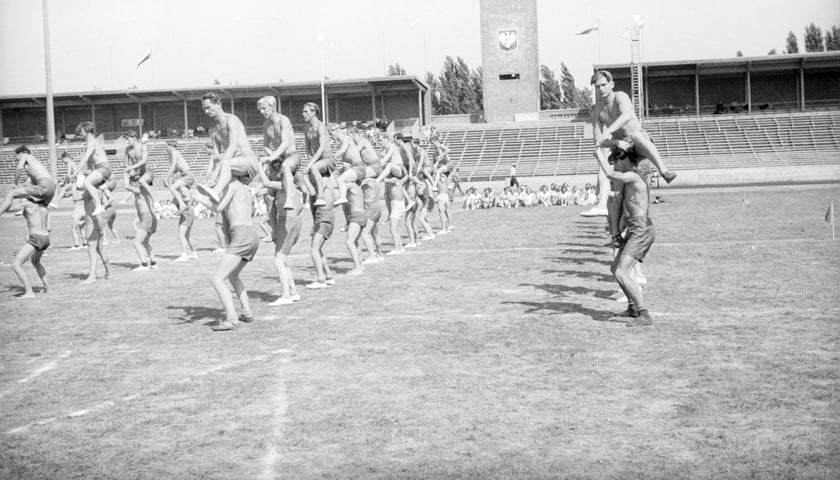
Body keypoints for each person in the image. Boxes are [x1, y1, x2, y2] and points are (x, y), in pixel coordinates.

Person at [585, 70, 676, 217]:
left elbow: (626, 115)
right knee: (619, 194)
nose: (600, 89)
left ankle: (664, 171)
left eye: (603, 85)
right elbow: (597, 141)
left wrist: (609, 132)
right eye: (597, 87)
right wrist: (616, 142)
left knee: (637, 137)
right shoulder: (597, 110)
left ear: (611, 84)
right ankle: (613, 228)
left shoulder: (620, 97)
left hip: (640, 146)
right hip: (622, 149)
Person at [593, 144, 656, 327]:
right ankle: (633, 308)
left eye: (616, 163)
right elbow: (624, 208)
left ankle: (644, 314)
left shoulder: (633, 175)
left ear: (625, 160)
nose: (614, 167)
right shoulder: (629, 179)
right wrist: (617, 233)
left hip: (641, 230)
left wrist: (599, 154)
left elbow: (612, 175)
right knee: (616, 269)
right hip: (634, 229)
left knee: (622, 271)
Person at [209, 175, 260, 331]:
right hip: (251, 234)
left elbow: (217, 208)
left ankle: (231, 318)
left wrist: (199, 197)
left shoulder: (232, 186)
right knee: (233, 275)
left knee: (217, 279)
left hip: (241, 235)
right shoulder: (245, 189)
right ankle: (246, 312)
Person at [195, 92, 260, 206]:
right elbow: (216, 157)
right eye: (204, 109)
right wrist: (212, 177)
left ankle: (215, 192)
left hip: (248, 161)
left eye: (208, 108)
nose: (206, 112)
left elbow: (233, 145)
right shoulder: (214, 132)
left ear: (218, 104)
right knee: (231, 195)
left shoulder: (232, 119)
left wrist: (219, 170)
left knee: (225, 165)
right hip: (233, 167)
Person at [257, 160, 302, 307]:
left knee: (278, 260)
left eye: (271, 171)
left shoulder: (285, 184)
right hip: (294, 220)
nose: (270, 174)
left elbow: (267, 183)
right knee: (282, 258)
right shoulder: (289, 185)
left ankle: (286, 295)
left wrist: (259, 166)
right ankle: (293, 292)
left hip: (287, 220)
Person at [257, 96, 300, 211]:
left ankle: (290, 199)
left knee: (285, 166)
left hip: (291, 157)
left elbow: (285, 142)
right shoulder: (265, 125)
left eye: (264, 108)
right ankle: (273, 226)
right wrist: (273, 157)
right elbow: (265, 145)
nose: (262, 112)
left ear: (273, 106)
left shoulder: (283, 120)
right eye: (260, 110)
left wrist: (272, 157)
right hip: (278, 158)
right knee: (269, 196)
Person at [9, 196, 50, 298]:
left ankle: (29, 292)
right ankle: (48, 288)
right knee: (36, 262)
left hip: (36, 237)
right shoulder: (43, 204)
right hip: (45, 237)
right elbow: (48, 227)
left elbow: (10, 208)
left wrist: (13, 195)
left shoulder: (28, 203)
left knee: (16, 265)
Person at [0, 146, 56, 219]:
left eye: (16, 156)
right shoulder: (34, 163)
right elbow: (29, 184)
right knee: (41, 206)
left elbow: (19, 169)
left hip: (44, 184)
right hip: (52, 187)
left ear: (21, 153)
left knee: (11, 193)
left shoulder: (25, 155)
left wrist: (15, 183)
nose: (16, 158)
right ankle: (46, 229)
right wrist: (22, 187)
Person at [75, 121, 112, 216]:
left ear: (87, 131)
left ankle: (99, 206)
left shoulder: (92, 142)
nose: (80, 133)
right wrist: (87, 173)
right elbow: (90, 162)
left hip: (103, 167)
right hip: (99, 168)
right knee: (86, 194)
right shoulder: (89, 144)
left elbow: (85, 158)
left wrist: (75, 172)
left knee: (87, 182)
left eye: (82, 131)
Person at [301, 102, 335, 207]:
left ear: (314, 112)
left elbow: (322, 147)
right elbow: (308, 149)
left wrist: (311, 164)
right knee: (307, 175)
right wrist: (310, 162)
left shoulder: (320, 126)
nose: (303, 114)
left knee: (314, 168)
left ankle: (321, 196)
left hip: (327, 159)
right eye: (303, 112)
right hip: (317, 160)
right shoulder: (306, 129)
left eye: (306, 112)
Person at [307, 175, 337, 288]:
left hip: (324, 218)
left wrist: (305, 178)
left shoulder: (324, 182)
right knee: (318, 249)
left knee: (313, 249)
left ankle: (320, 280)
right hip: (322, 219)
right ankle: (329, 277)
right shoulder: (325, 182)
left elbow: (312, 192)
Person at [124, 172, 158, 271]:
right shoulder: (143, 190)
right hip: (150, 218)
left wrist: (125, 177)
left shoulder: (139, 190)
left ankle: (144, 264)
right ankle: (153, 262)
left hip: (146, 218)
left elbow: (126, 186)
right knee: (145, 242)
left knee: (136, 243)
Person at [164, 140, 194, 215]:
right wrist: (171, 179)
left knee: (172, 188)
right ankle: (184, 207)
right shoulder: (172, 155)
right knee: (180, 196)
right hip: (184, 176)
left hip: (187, 176)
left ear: (171, 146)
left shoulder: (174, 152)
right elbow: (176, 170)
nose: (166, 148)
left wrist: (166, 178)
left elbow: (173, 167)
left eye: (167, 146)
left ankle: (182, 205)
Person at [343, 181, 366, 275]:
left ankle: (357, 268)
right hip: (360, 214)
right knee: (355, 241)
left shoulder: (350, 185)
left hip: (357, 215)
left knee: (349, 241)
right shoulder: (357, 187)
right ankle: (360, 265)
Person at [360, 179, 385, 264]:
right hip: (376, 206)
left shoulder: (368, 182)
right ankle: (380, 255)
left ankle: (372, 256)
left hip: (371, 207)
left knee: (364, 233)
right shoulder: (375, 182)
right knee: (375, 233)